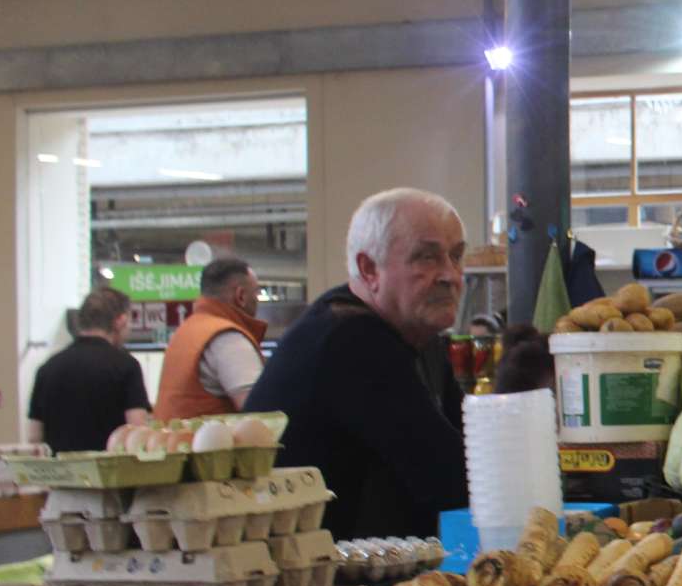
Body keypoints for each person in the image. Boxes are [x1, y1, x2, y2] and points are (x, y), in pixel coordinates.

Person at [245, 189, 470, 538]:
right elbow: (448, 479)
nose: (450, 275)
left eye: (456, 257)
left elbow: (469, 455)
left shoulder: (420, 337)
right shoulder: (349, 339)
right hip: (311, 580)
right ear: (369, 269)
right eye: (427, 258)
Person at [26, 288, 150, 454]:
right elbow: (137, 433)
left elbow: (34, 436)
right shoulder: (127, 366)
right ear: (120, 321)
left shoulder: (47, 369)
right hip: (111, 475)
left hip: (61, 477)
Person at [153, 257, 269, 420]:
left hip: (175, 443)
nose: (257, 299)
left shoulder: (185, 331)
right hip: (215, 445)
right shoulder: (228, 339)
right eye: (256, 292)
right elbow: (260, 413)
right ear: (241, 296)